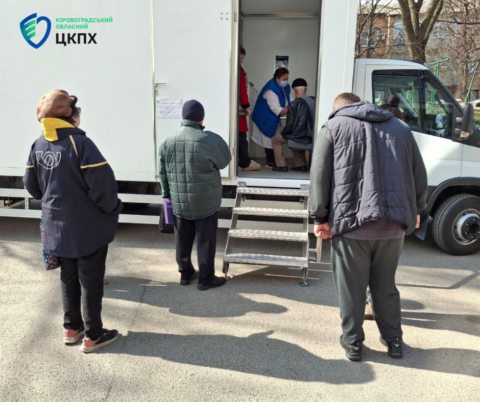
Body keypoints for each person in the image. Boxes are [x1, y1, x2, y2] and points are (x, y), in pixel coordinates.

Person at [309, 92, 428, 362]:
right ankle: (394, 341)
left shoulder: (332, 127)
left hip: (350, 226)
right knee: (386, 287)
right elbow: (418, 173)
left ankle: (353, 343)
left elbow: (319, 175)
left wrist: (319, 217)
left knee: (351, 289)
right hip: (393, 227)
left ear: (338, 109)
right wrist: (417, 210)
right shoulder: (401, 128)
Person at [23, 89, 122, 353]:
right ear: (69, 116)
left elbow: (31, 185)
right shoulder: (81, 143)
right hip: (87, 227)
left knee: (67, 276)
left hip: (56, 225)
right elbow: (103, 188)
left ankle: (71, 328)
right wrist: (113, 209)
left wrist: (52, 201)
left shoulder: (38, 144)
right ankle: (94, 335)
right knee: (90, 279)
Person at [158, 100, 232, 291]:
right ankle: (205, 278)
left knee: (182, 237)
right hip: (205, 200)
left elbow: (162, 173)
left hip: (179, 200)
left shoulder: (168, 140)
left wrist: (167, 196)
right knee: (205, 239)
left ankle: (185, 273)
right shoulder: (209, 139)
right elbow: (225, 160)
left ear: (183, 117)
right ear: (201, 119)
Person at [252, 67, 292, 168]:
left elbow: (289, 100)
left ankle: (274, 160)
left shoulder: (285, 87)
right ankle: (270, 161)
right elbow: (277, 109)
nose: (286, 81)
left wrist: (294, 105)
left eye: (287, 79)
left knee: (275, 137)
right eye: (284, 79)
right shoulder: (270, 90)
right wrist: (293, 109)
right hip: (264, 118)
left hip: (273, 118)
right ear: (277, 78)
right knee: (269, 138)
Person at [272, 78, 315, 172]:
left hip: (300, 136)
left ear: (294, 91)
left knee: (277, 139)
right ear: (306, 90)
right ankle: (300, 165)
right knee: (295, 135)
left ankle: (281, 165)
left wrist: (284, 133)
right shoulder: (315, 102)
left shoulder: (293, 104)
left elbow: (289, 126)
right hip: (313, 137)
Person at [238, 47, 260, 172]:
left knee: (237, 137)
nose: (242, 61)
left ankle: (239, 162)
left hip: (234, 110)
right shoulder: (239, 70)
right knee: (241, 137)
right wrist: (246, 106)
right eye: (241, 58)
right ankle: (245, 163)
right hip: (239, 110)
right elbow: (242, 89)